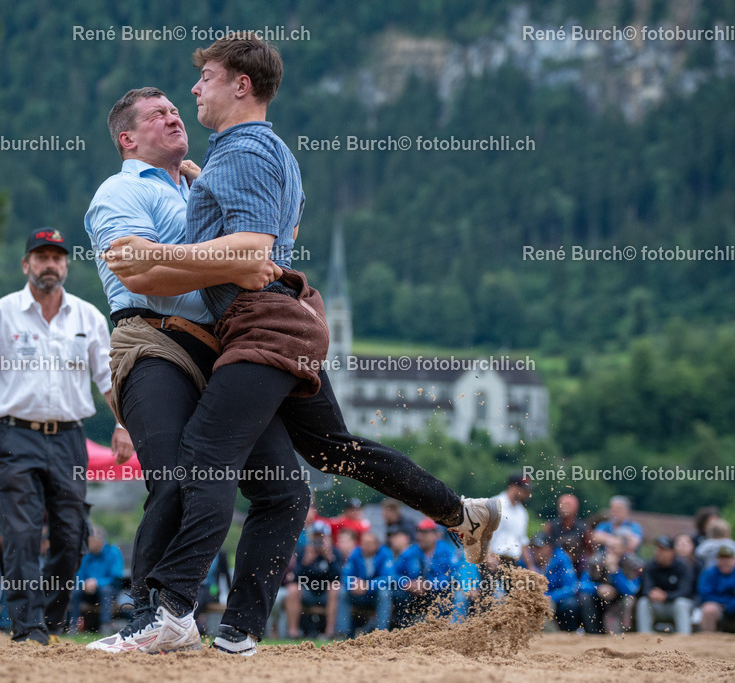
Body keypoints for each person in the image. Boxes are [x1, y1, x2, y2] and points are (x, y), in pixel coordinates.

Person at [105, 33, 500, 654]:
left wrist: (153, 253)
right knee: (333, 451)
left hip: (262, 325)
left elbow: (254, 251)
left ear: (240, 85)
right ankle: (462, 513)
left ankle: (173, 609)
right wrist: (200, 187)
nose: (193, 89)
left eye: (204, 76)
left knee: (207, 454)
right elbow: (269, 231)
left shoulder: (243, 148)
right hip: (283, 322)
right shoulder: (259, 155)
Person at [82, 84, 309, 657]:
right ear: (127, 138)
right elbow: (142, 276)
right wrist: (234, 260)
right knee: (178, 476)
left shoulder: (201, 184)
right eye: (158, 115)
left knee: (285, 490)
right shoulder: (118, 190)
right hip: (154, 340)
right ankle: (149, 620)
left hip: (226, 348)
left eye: (176, 111)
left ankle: (238, 631)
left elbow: (262, 239)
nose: (174, 116)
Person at [0, 228, 133, 646]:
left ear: (66, 265)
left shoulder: (87, 317)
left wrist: (123, 426)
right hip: (16, 437)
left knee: (71, 535)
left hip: (70, 438)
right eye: (41, 257)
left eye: (56, 258)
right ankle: (26, 626)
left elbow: (107, 380)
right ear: (26, 265)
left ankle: (47, 621)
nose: (49, 265)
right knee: (21, 531)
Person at [391, 519, 460, 628]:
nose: (421, 536)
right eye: (419, 532)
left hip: (438, 592)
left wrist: (429, 584)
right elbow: (393, 574)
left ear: (435, 535)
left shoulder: (447, 551)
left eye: (425, 533)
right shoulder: (410, 552)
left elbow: (455, 575)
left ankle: (438, 630)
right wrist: (407, 583)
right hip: (414, 593)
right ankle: (403, 631)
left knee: (445, 596)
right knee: (398, 595)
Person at [68, 524, 124, 634]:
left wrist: (97, 582)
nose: (87, 544)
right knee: (75, 591)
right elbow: (78, 575)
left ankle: (105, 625)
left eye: (89, 541)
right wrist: (84, 583)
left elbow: (116, 576)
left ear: (99, 540)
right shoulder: (86, 554)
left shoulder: (113, 552)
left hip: (109, 590)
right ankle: (73, 626)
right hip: (88, 591)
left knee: (105, 590)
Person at [522, 533, 583, 632]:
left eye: (539, 548)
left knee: (570, 604)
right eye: (533, 548)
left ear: (549, 547)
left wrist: (548, 597)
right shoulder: (527, 559)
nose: (535, 551)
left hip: (556, 599)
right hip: (534, 600)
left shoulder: (562, 559)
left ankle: (565, 633)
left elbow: (571, 587)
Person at [636, 535, 694, 635]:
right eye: (657, 549)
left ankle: (684, 636)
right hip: (657, 605)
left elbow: (686, 591)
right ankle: (644, 635)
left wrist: (666, 595)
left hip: (676, 606)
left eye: (662, 550)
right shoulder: (650, 566)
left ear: (672, 552)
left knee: (681, 603)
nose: (658, 552)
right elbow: (645, 588)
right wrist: (652, 594)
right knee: (644, 602)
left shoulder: (683, 566)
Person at [338, 531, 393, 636]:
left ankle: (381, 633)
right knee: (342, 592)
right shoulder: (355, 553)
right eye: (364, 543)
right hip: (357, 593)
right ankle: (342, 632)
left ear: (377, 545)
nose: (366, 546)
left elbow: (389, 577)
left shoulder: (385, 553)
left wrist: (369, 585)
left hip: (375, 593)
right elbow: (345, 576)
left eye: (369, 544)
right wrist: (352, 584)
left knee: (385, 593)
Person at [483, 474, 532, 588]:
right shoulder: (494, 504)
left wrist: (530, 566)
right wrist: (488, 556)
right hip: (492, 559)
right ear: (514, 487)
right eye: (523, 489)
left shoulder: (522, 513)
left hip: (512, 562)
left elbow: (522, 541)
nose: (526, 493)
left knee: (513, 600)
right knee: (486, 600)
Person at [294, 521, 341, 639]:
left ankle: (329, 632)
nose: (318, 540)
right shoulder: (302, 551)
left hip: (327, 593)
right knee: (292, 590)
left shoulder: (335, 552)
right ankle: (293, 632)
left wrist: (329, 558)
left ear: (327, 537)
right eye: (315, 536)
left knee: (334, 588)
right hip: (307, 591)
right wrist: (306, 562)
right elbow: (295, 578)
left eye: (321, 537)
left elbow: (339, 577)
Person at [543, 493, 592, 572]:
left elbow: (589, 550)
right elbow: (546, 548)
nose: (564, 507)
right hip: (555, 565)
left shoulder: (583, 528)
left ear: (575, 507)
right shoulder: (551, 526)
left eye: (567, 505)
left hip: (577, 566)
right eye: (561, 504)